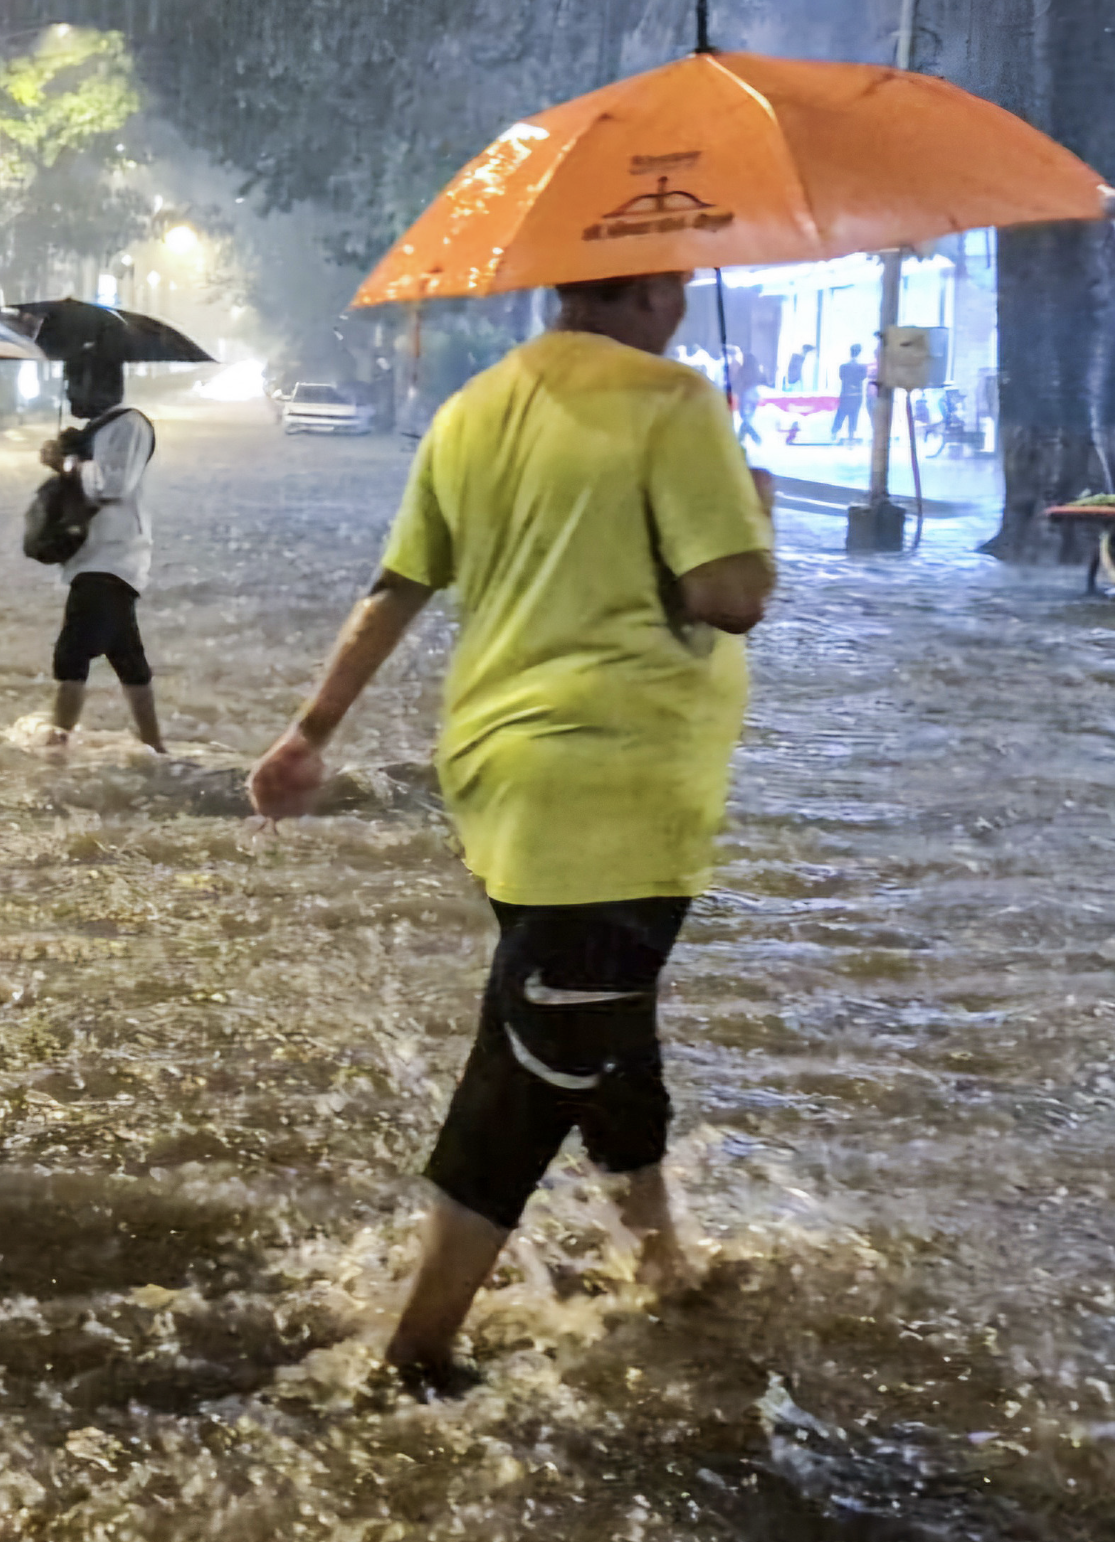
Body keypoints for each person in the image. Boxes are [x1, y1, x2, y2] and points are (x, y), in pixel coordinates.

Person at [249, 269, 776, 1397]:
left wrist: (310, 731)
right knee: (535, 1059)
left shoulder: (470, 408)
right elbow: (730, 595)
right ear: (650, 291)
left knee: (601, 1028)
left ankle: (659, 1261)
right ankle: (416, 1348)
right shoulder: (674, 404)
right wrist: (751, 515)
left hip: (501, 773)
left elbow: (395, 586)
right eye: (674, 279)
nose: (681, 298)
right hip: (614, 787)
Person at [42, 354, 164, 754]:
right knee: (126, 654)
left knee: (72, 651)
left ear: (100, 383)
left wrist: (74, 462)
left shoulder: (128, 425)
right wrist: (62, 462)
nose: (69, 392)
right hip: (95, 558)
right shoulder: (97, 431)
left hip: (113, 558)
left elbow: (112, 484)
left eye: (76, 381)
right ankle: (154, 748)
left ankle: (55, 750)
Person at [831, 343, 869, 444]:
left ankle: (834, 432)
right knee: (854, 415)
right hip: (857, 394)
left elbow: (841, 377)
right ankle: (851, 434)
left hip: (845, 394)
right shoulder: (862, 367)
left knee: (841, 414)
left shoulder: (843, 367)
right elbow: (863, 377)